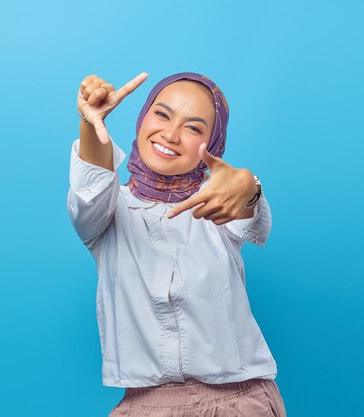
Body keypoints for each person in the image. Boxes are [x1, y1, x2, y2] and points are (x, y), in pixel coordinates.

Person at [67, 71, 287, 417]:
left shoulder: (217, 201)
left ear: (212, 144)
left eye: (194, 128)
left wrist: (249, 186)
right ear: (143, 118)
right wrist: (90, 123)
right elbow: (90, 189)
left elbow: (249, 210)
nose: (170, 134)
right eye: (162, 114)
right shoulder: (109, 211)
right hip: (144, 406)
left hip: (239, 402)